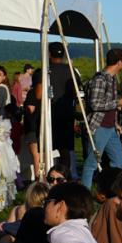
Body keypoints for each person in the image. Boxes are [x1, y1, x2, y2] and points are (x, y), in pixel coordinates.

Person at [80, 48, 122, 189]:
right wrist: (119, 103)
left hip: (110, 127)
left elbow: (107, 105)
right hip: (99, 127)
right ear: (119, 62)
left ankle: (109, 189)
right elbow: (95, 104)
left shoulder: (112, 79)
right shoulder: (100, 79)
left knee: (119, 160)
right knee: (91, 163)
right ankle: (84, 195)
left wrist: (116, 123)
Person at [47, 42, 79, 177]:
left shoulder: (46, 71)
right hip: (67, 113)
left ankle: (55, 175)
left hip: (51, 114)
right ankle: (64, 176)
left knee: (51, 148)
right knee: (65, 149)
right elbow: (78, 92)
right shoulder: (70, 71)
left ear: (49, 54)